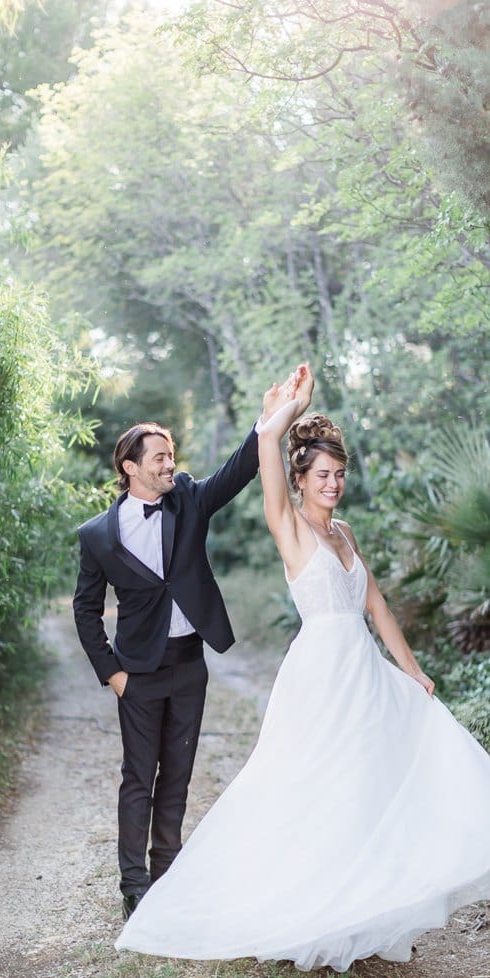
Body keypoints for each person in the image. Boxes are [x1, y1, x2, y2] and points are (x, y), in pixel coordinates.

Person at [115, 365, 490, 970]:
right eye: (323, 475)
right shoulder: (288, 526)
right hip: (318, 675)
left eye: (340, 475)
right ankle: (297, 905)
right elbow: (264, 449)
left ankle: (364, 908)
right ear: (300, 478)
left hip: (364, 670)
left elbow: (377, 606)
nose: (334, 484)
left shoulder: (345, 533)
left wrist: (413, 669)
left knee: (369, 784)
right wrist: (286, 408)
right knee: (310, 786)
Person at [73, 376, 301, 919]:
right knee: (138, 778)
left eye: (170, 454)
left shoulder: (190, 500)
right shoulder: (97, 535)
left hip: (189, 666)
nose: (168, 464)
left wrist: (268, 421)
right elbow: (84, 610)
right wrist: (113, 673)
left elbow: (238, 471)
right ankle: (134, 886)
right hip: (138, 672)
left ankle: (167, 875)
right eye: (158, 457)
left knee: (177, 774)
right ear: (130, 466)